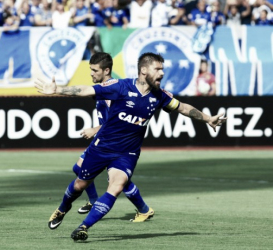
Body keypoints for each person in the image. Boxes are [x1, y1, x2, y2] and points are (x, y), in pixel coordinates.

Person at [35, 52, 227, 241]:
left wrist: (209, 119)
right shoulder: (121, 87)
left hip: (127, 153)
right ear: (143, 70)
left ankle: (84, 227)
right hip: (102, 147)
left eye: (162, 69)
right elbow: (87, 90)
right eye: (157, 69)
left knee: (116, 187)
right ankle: (62, 209)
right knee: (79, 184)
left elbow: (183, 108)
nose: (162, 73)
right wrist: (57, 89)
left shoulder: (160, 96)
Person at [69, 52, 154, 222]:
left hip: (115, 141)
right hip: (105, 138)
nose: (91, 73)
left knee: (118, 180)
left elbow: (117, 120)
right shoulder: (104, 87)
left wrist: (95, 129)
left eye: (94, 70)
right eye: (90, 69)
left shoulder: (113, 90)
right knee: (81, 169)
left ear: (106, 70)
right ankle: (96, 201)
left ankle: (144, 209)